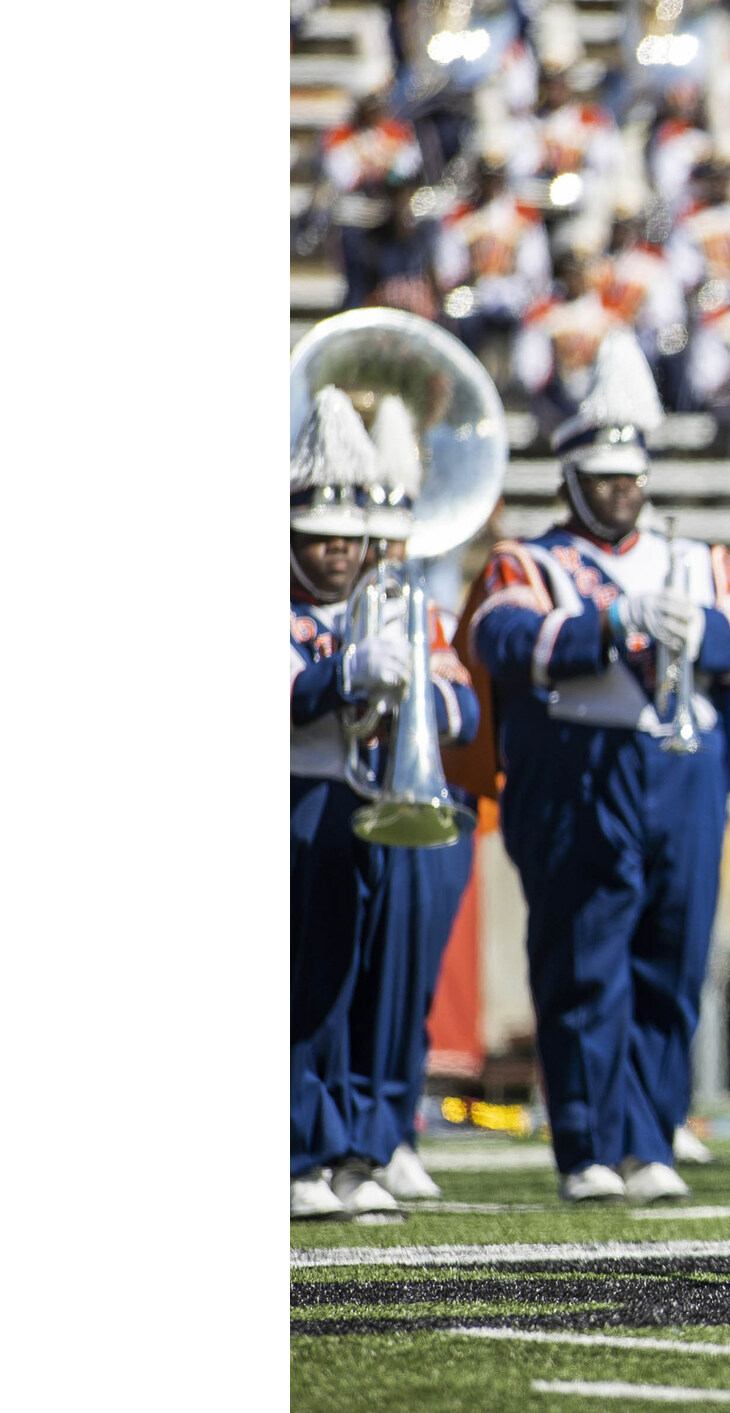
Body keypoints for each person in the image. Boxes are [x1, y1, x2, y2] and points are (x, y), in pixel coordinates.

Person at [453, 333, 730, 1204]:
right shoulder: (534, 558)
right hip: (579, 764)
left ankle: (652, 1133)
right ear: (569, 476)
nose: (622, 491)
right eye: (604, 478)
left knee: (671, 955)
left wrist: (701, 633)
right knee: (583, 954)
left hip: (682, 772)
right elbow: (502, 636)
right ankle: (589, 1142)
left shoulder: (697, 558)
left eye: (632, 476)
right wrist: (610, 622)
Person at [290, 390, 477, 1221]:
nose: (336, 551)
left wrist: (420, 696)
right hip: (296, 802)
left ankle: (356, 1147)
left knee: (370, 984)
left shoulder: (403, 610)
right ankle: (299, 1146)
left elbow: (464, 707)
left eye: (347, 537)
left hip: (374, 809)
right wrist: (345, 674)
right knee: (301, 990)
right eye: (316, 536)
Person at [356, 397, 480, 1205]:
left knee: (408, 977)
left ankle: (392, 1123)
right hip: (338, 800)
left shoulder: (420, 608)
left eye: (399, 531)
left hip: (414, 809)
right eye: (377, 532)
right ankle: (344, 1128)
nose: (389, 548)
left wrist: (421, 688)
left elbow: (464, 710)